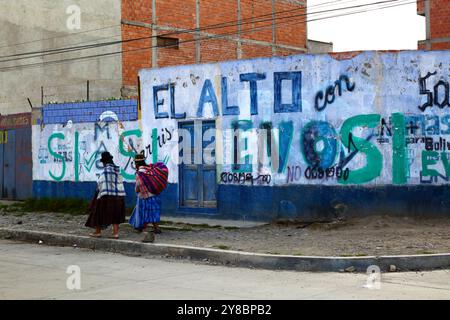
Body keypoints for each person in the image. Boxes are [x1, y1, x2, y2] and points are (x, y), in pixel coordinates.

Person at [85, 151, 126, 239]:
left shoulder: (105, 171)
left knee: (97, 212)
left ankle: (98, 231)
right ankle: (115, 234)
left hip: (106, 196)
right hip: (119, 196)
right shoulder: (117, 171)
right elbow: (120, 183)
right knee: (115, 214)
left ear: (104, 162)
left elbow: (100, 183)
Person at [129, 152, 167, 243]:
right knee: (153, 212)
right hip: (154, 194)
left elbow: (138, 185)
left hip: (144, 196)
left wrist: (136, 190)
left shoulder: (139, 173)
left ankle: (142, 227)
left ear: (137, 163)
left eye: (135, 163)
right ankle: (156, 228)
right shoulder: (151, 169)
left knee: (143, 212)